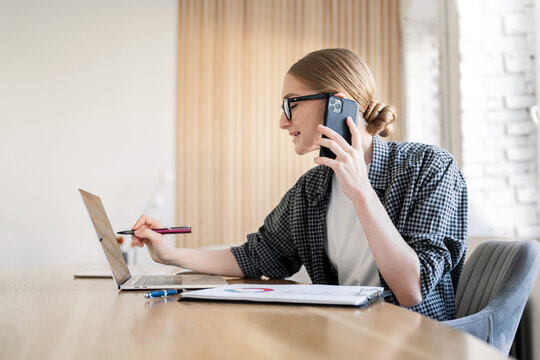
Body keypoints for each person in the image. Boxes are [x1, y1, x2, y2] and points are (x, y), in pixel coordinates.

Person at [129, 48, 467, 321]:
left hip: (416, 343)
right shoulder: (312, 189)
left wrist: (361, 192)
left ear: (337, 103)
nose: (282, 121)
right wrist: (170, 254)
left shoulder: (428, 168)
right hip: (345, 338)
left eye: (291, 103)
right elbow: (256, 256)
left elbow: (412, 289)